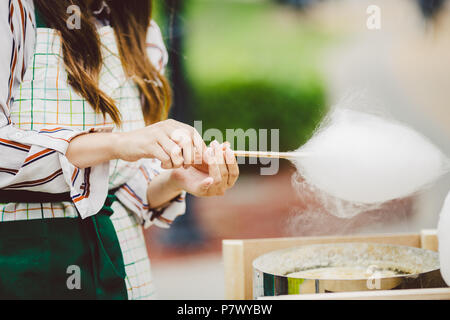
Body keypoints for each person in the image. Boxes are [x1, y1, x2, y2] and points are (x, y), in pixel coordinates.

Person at [0, 0, 239, 300]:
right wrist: (119, 144)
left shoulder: (136, 23)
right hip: (26, 262)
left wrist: (175, 179)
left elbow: (118, 185)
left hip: (125, 266)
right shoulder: (13, 9)